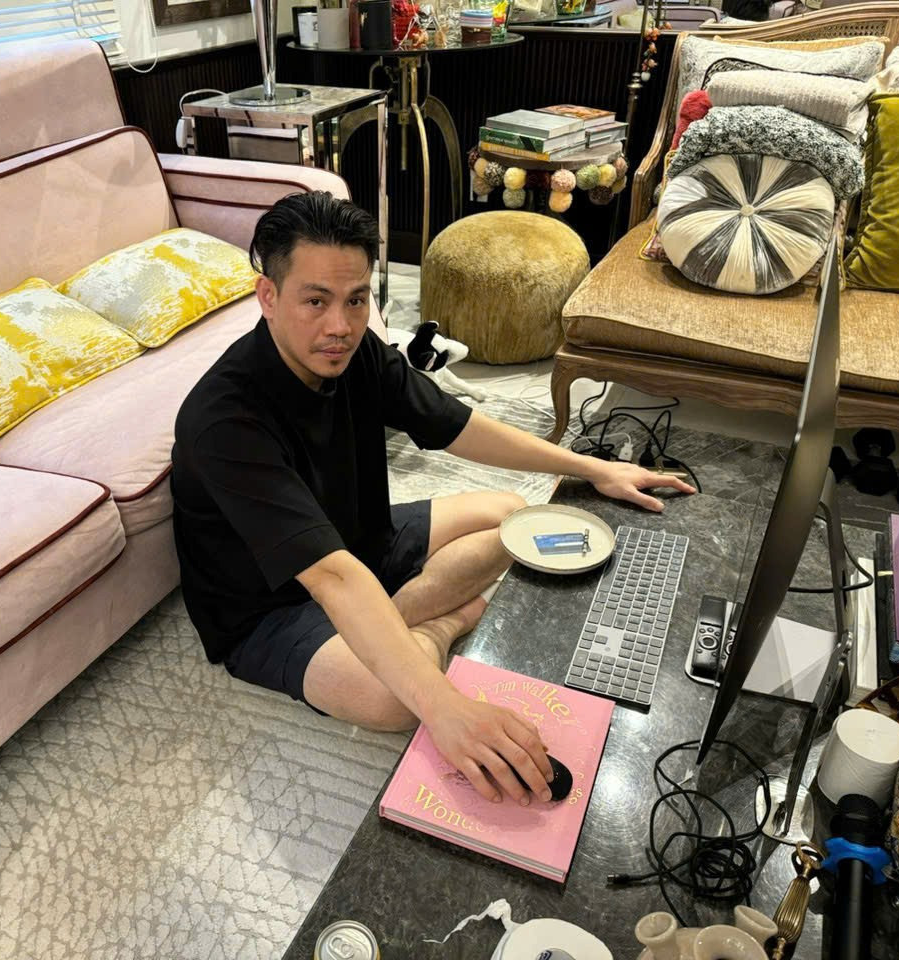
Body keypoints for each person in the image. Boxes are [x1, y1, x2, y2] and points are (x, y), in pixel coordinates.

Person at [171, 192, 694, 807]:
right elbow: (331, 577)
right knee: (394, 702)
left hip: (358, 539)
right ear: (268, 295)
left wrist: (592, 467)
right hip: (269, 605)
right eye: (315, 301)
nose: (339, 325)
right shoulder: (224, 419)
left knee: (513, 514)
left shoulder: (355, 351)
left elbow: (456, 425)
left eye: (356, 299)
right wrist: (446, 708)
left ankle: (389, 629)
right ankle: (438, 624)